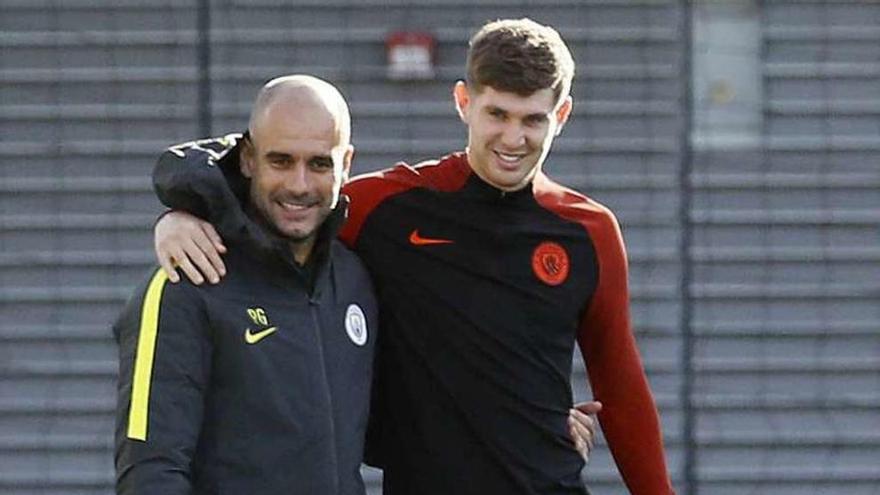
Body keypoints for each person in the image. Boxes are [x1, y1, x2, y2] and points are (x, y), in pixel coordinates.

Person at [152, 18, 673, 494]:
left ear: (561, 115)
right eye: (497, 114)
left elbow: (622, 388)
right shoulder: (384, 208)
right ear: (464, 102)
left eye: (532, 120)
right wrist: (184, 210)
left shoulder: (589, 231)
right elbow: (288, 186)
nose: (513, 138)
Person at [114, 75, 379, 494]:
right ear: (248, 159)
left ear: (346, 163)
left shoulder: (355, 279)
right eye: (281, 161)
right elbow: (150, 471)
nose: (299, 185)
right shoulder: (184, 283)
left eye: (319, 163)